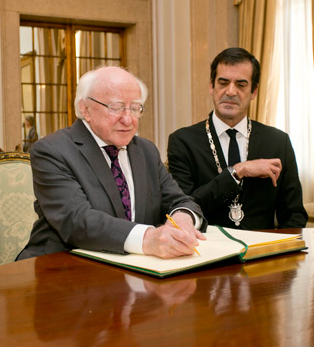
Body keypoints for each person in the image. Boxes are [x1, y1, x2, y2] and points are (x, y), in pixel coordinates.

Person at [17, 66, 206, 260]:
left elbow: (181, 200)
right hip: (62, 266)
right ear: (85, 109)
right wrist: (149, 238)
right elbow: (77, 221)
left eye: (134, 108)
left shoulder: (146, 150)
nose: (127, 119)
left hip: (135, 268)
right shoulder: (52, 151)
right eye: (116, 107)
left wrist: (182, 220)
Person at [167, 47, 307, 230]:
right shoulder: (183, 141)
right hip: (206, 250)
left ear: (254, 91)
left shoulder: (278, 142)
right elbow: (185, 208)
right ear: (211, 86)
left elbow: (294, 215)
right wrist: (238, 171)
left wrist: (282, 251)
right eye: (223, 83)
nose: (231, 92)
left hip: (264, 251)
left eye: (241, 85)